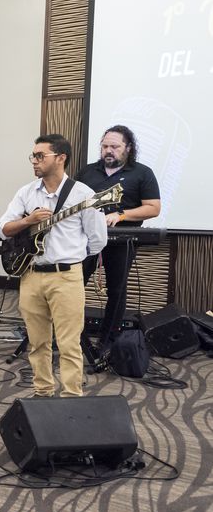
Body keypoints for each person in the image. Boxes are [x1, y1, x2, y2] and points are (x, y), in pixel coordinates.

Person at [0, 134, 107, 397]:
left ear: (60, 158)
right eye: (33, 156)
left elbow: (97, 241)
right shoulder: (25, 193)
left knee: (69, 343)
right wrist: (28, 221)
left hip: (66, 276)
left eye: (40, 156)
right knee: (37, 343)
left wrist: (71, 257)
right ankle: (42, 392)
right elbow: (3, 229)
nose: (34, 161)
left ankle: (71, 397)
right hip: (31, 275)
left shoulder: (84, 195)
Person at [77, 125, 161, 351]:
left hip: (121, 239)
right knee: (74, 285)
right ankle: (73, 335)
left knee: (117, 290)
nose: (108, 151)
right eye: (104, 146)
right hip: (85, 239)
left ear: (128, 148)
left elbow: (153, 208)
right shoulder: (87, 172)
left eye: (114, 146)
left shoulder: (142, 172)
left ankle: (108, 341)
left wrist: (121, 214)